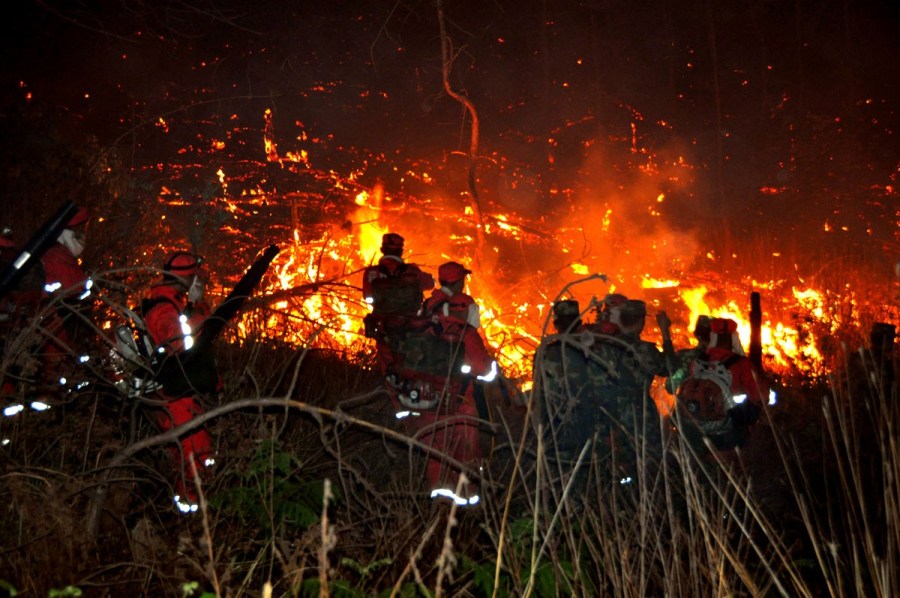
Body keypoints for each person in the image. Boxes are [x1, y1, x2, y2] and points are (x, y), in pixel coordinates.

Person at [392, 260, 497, 506]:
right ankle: (466, 508)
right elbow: (482, 372)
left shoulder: (429, 317)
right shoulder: (467, 335)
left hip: (429, 399)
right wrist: (491, 367)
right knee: (466, 454)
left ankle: (437, 506)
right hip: (460, 404)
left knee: (436, 452)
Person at [142, 250, 219, 513]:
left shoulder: (173, 305)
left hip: (182, 395)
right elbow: (183, 349)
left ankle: (194, 505)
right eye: (196, 279)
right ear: (184, 279)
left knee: (192, 457)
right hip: (176, 399)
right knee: (195, 456)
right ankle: (192, 513)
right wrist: (196, 309)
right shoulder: (163, 310)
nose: (200, 284)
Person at [675, 317, 767, 451]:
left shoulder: (699, 361)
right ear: (733, 338)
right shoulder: (742, 364)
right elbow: (760, 397)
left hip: (699, 429)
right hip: (729, 432)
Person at [36, 206, 93, 392]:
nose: (81, 236)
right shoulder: (55, 258)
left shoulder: (60, 256)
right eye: (77, 231)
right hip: (56, 341)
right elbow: (75, 290)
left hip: (63, 338)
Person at [361, 233, 434, 376]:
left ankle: (389, 387)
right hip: (409, 325)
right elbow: (430, 284)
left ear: (382, 250)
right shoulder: (412, 271)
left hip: (383, 326)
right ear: (401, 251)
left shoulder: (371, 272)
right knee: (410, 362)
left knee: (387, 363)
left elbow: (367, 296)